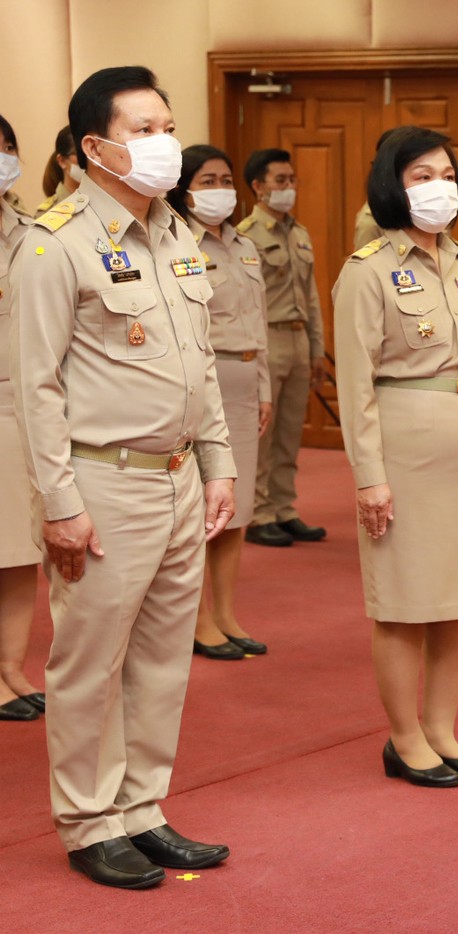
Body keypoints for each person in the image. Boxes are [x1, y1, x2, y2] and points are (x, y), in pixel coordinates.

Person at [8, 66, 236, 888]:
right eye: (143, 130)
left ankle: (143, 808)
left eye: (166, 124)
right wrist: (61, 505)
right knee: (89, 661)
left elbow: (200, 366)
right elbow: (33, 387)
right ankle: (88, 820)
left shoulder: (175, 234)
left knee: (162, 660)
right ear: (94, 146)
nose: (162, 143)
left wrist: (217, 464)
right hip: (104, 483)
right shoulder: (54, 241)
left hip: (178, 477)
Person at [333, 125, 458, 788]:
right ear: (392, 185)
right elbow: (356, 385)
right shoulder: (368, 272)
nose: (438, 186)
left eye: (445, 173)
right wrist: (370, 479)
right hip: (406, 454)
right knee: (406, 603)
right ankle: (404, 736)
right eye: (421, 176)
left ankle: (442, 727)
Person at [170, 145, 273, 660]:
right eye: (208, 180)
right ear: (185, 187)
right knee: (204, 509)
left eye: (226, 179)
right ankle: (198, 618)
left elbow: (260, 322)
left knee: (239, 511)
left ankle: (227, 611)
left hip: (247, 377)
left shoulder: (244, 245)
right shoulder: (176, 241)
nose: (221, 190)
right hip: (205, 384)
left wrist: (266, 389)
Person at [238, 147, 328, 548]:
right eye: (280, 181)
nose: (288, 188)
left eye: (292, 180)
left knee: (290, 430)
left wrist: (317, 350)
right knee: (264, 433)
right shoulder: (245, 237)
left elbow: (311, 297)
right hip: (266, 339)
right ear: (258, 187)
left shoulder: (300, 233)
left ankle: (284, 507)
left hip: (296, 336)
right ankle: (259, 513)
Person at [0, 112, 47, 723]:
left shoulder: (30, 229)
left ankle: (11, 666)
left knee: (18, 546)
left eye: (7, 146)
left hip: (22, 403)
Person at [35, 126, 83, 216]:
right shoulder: (48, 213)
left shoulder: (102, 203)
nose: (88, 161)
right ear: (62, 161)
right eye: (81, 155)